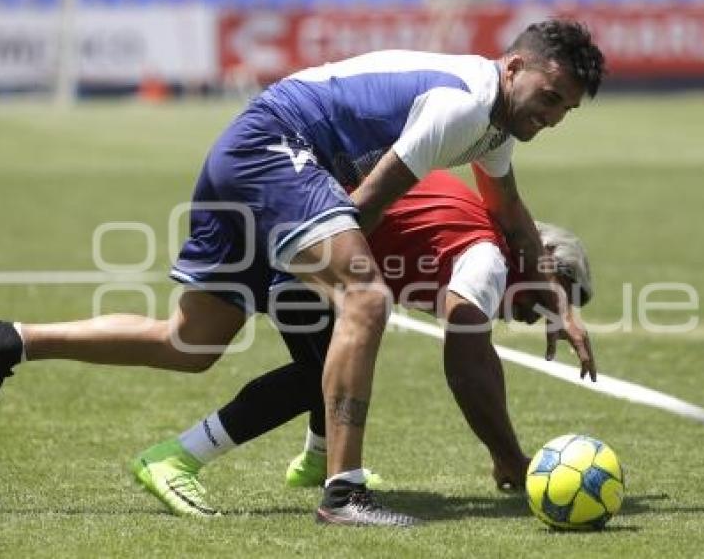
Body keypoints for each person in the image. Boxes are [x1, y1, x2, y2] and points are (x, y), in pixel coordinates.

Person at [0, 20, 605, 526]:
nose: (548, 117)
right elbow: (368, 204)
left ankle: (8, 340)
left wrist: (557, 303)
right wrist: (324, 281)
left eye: (563, 111)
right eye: (548, 97)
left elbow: (511, 212)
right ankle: (343, 495)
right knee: (366, 302)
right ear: (514, 66)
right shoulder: (465, 103)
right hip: (279, 149)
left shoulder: (494, 127)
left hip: (248, 150)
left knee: (191, 343)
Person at [130, 169, 594, 524]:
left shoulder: (476, 236)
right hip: (290, 227)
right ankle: (177, 456)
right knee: (321, 372)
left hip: (290, 217)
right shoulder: (488, 259)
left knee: (337, 348)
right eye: (547, 298)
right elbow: (467, 365)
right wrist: (509, 456)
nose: (538, 316)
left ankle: (317, 461)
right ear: (535, 262)